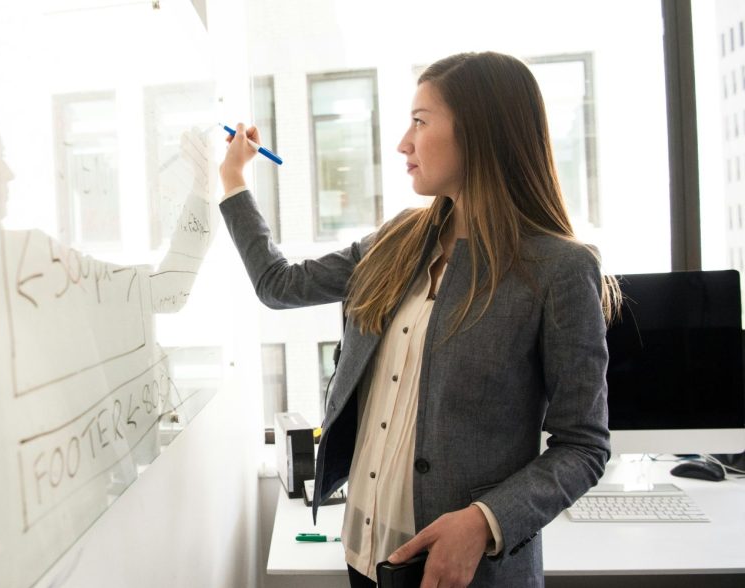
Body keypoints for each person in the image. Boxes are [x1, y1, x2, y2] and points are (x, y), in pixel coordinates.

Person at [218, 52, 619, 587]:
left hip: (465, 573)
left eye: (420, 121)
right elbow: (279, 285)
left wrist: (485, 521)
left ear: (479, 132)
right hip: (365, 554)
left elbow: (583, 446)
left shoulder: (559, 269)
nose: (403, 143)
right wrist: (233, 180)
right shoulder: (397, 240)